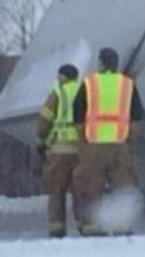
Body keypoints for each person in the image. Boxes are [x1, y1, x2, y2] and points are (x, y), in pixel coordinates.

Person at [72, 47, 143, 236]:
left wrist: (84, 138)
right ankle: (122, 226)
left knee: (91, 185)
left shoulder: (89, 83)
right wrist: (129, 139)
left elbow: (78, 114)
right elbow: (136, 116)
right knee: (122, 184)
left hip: (94, 142)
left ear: (101, 63)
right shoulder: (128, 84)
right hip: (120, 143)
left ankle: (91, 225)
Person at [35, 64, 82, 237]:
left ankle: (57, 228)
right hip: (81, 150)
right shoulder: (84, 91)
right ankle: (86, 224)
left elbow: (45, 118)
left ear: (63, 76)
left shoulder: (58, 92)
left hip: (60, 151)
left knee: (57, 190)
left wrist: (40, 140)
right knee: (82, 189)